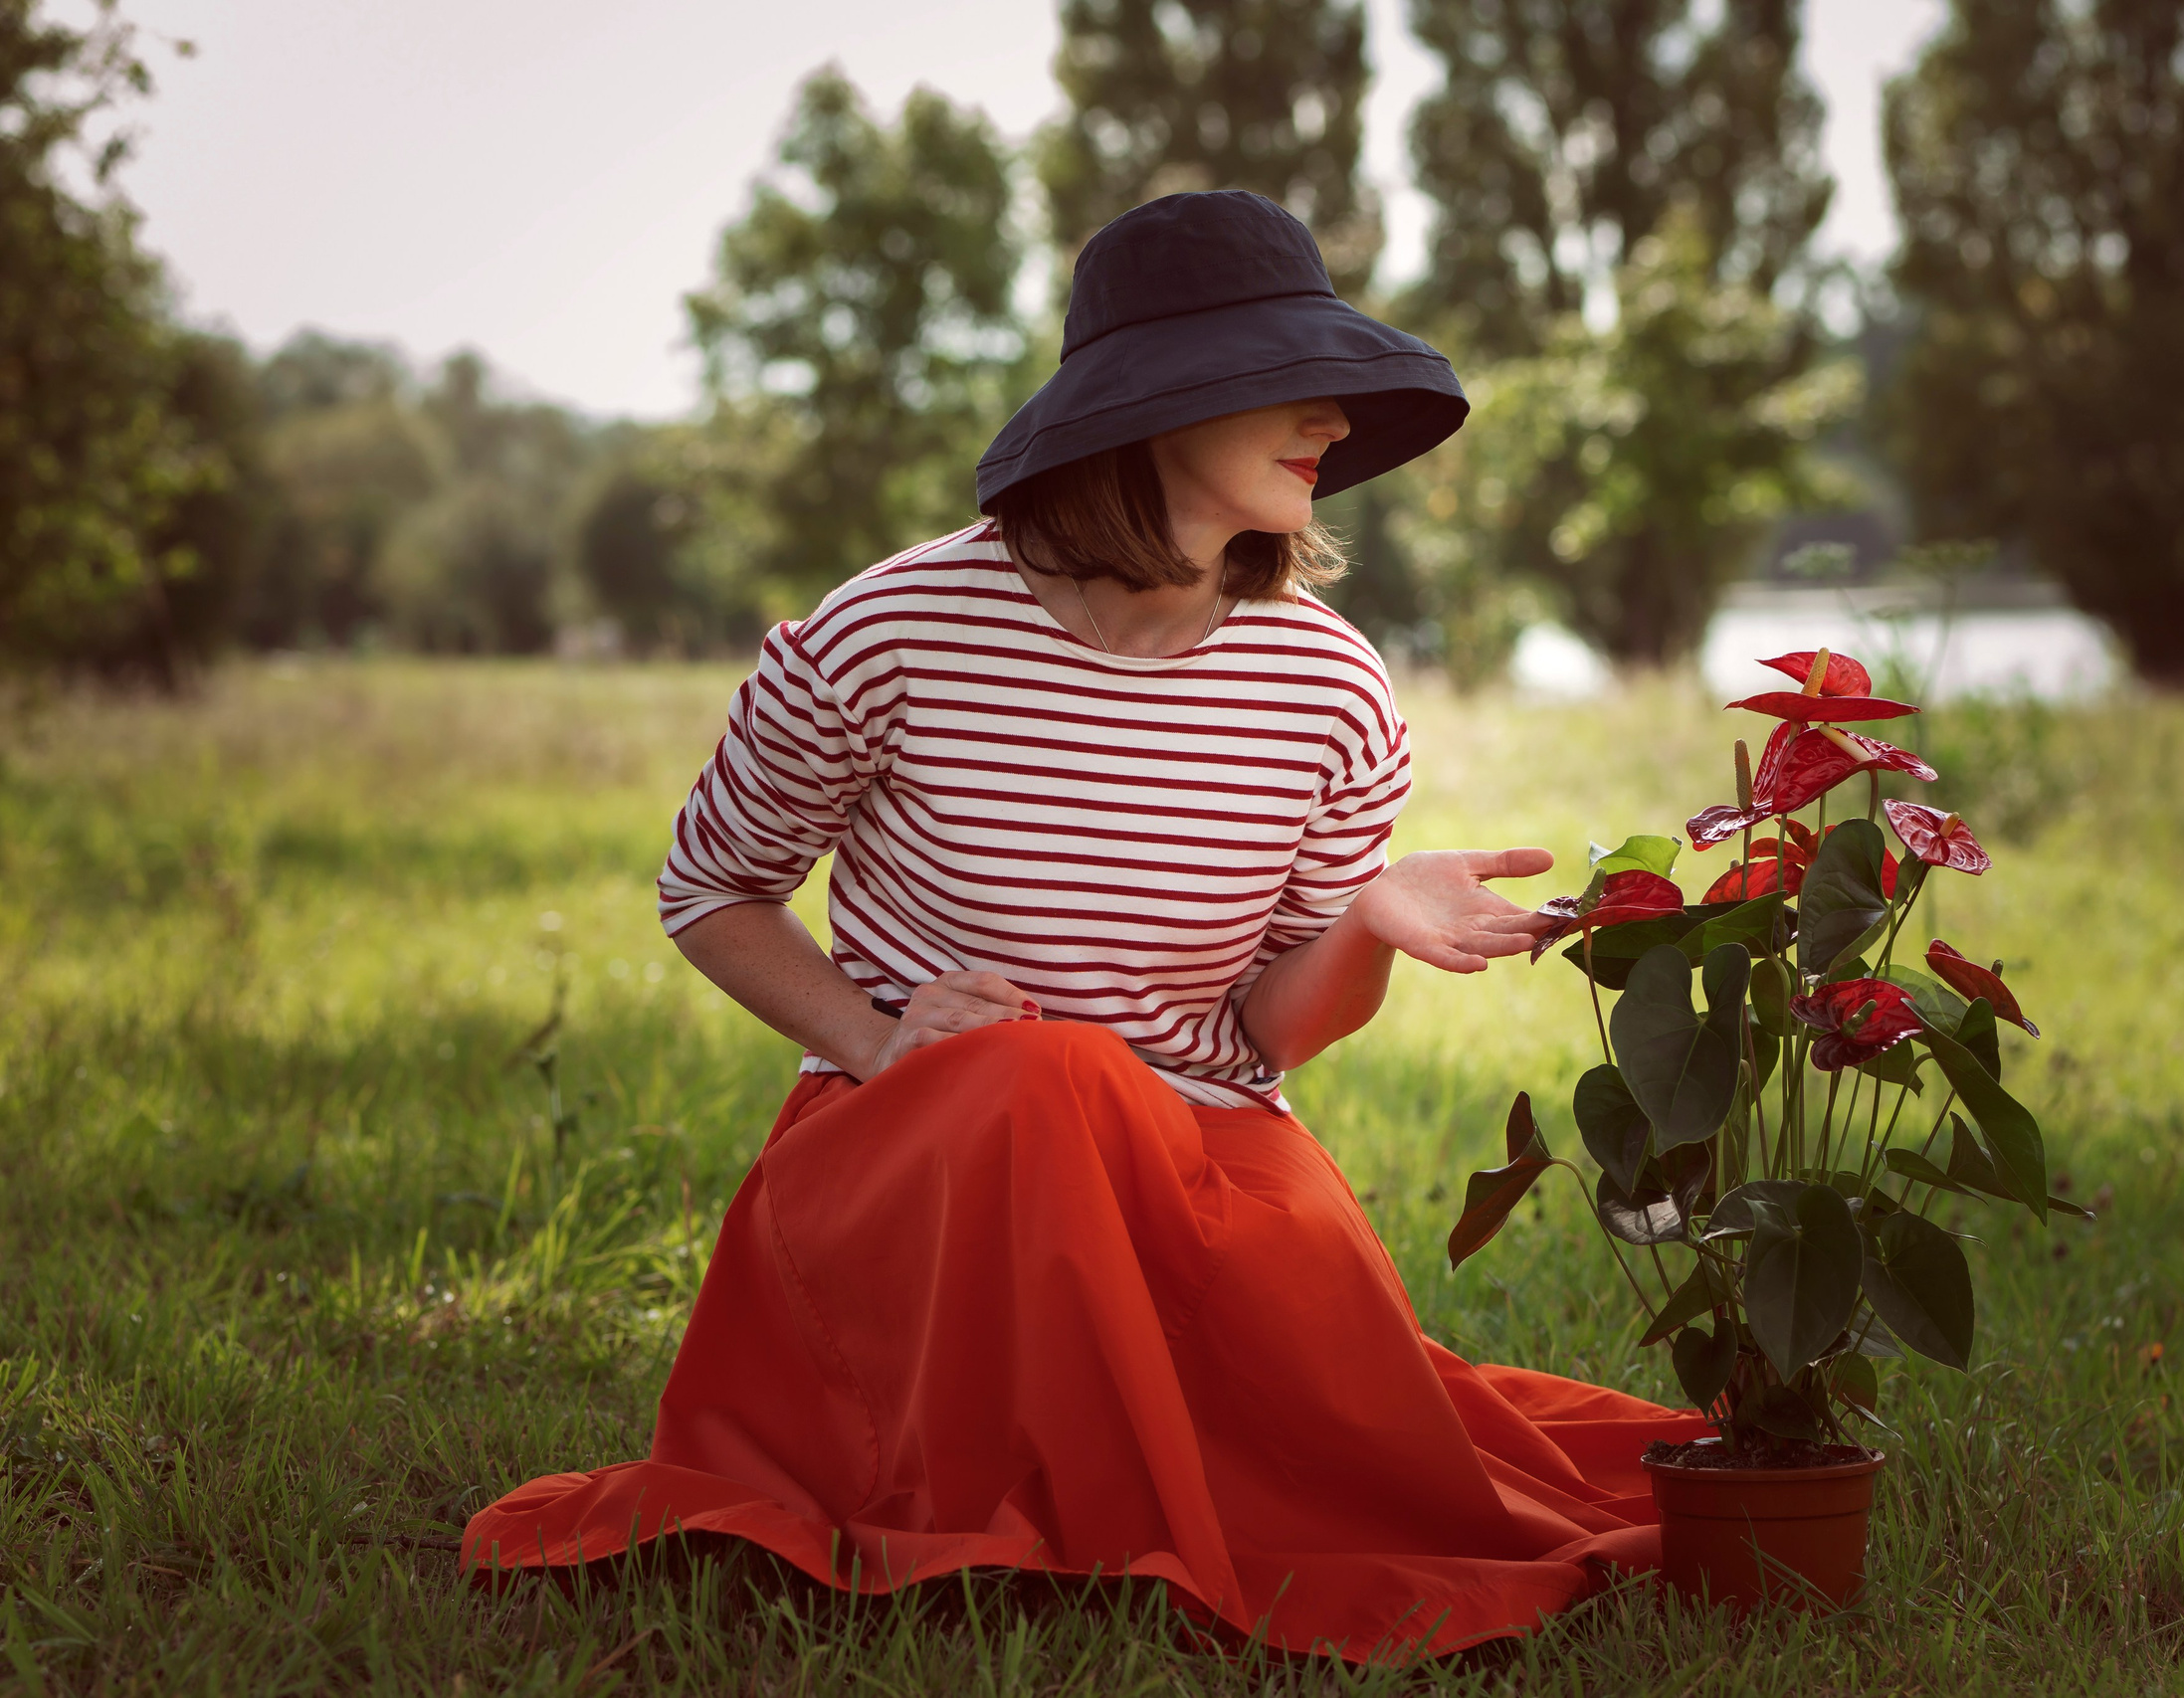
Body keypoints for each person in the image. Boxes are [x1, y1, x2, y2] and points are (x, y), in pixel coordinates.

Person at [462, 190, 1707, 1662]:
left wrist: (1370, 918)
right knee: (1041, 1070)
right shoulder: (887, 630)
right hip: (929, 1158)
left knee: (1395, 1463)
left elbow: (1267, 1039)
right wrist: (870, 1038)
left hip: (1198, 1161)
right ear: (1157, 409)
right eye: (1287, 380)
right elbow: (709, 890)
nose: (1332, 419)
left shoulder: (1329, 684)